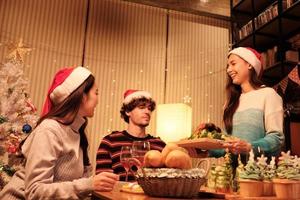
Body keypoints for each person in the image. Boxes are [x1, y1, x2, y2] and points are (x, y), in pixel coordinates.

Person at [0, 66, 119, 200]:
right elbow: (35, 192)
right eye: (96, 93)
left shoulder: (77, 131)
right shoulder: (50, 130)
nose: (98, 99)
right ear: (82, 96)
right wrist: (88, 184)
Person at [218, 47, 284, 160]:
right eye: (228, 66)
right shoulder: (230, 103)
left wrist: (250, 147)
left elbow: (276, 138)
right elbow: (225, 144)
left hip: (258, 174)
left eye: (233, 64)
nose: (229, 70)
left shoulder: (268, 94)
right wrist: (203, 149)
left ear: (249, 64)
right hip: (231, 174)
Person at [96, 89, 166, 181]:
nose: (147, 111)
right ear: (128, 111)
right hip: (118, 194)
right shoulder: (110, 141)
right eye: (141, 107)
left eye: (149, 108)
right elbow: (103, 183)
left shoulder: (160, 145)